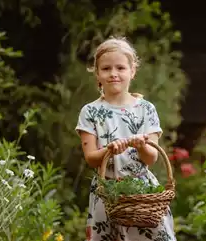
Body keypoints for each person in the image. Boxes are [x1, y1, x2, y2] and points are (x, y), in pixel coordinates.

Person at [75, 36, 176, 241]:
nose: (113, 74)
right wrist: (110, 150)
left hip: (142, 194)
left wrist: (141, 146)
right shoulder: (90, 112)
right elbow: (91, 158)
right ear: (97, 74)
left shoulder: (146, 109)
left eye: (120, 68)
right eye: (106, 69)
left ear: (132, 71)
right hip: (107, 193)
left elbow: (151, 159)